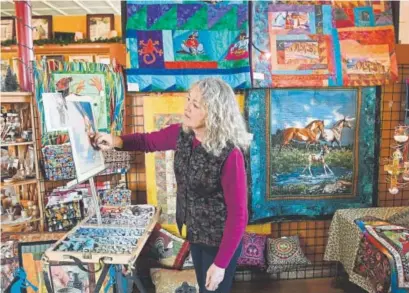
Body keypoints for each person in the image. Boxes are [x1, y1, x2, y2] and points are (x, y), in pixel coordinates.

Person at [91, 77, 252, 292]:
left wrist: (221, 264)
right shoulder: (182, 134)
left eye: (196, 105)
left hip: (221, 241)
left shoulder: (230, 154)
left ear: (215, 113)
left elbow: (238, 215)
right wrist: (115, 141)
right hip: (195, 233)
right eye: (188, 100)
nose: (187, 108)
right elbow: (147, 141)